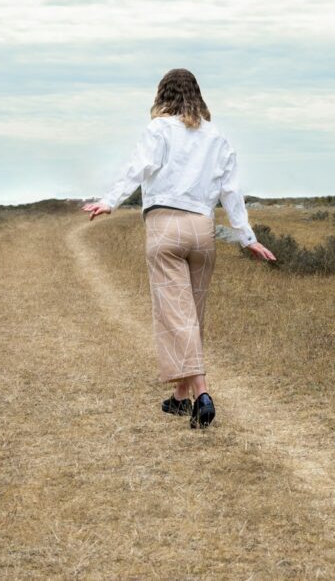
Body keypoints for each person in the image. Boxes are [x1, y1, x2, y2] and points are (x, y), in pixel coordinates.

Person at [82, 68, 276, 429]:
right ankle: (180, 399)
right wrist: (247, 237)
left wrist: (110, 200)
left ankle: (201, 393)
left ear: (163, 95)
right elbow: (231, 191)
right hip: (202, 230)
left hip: (165, 226)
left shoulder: (159, 129)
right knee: (192, 314)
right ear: (198, 96)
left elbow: (137, 168)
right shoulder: (217, 137)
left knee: (175, 314)